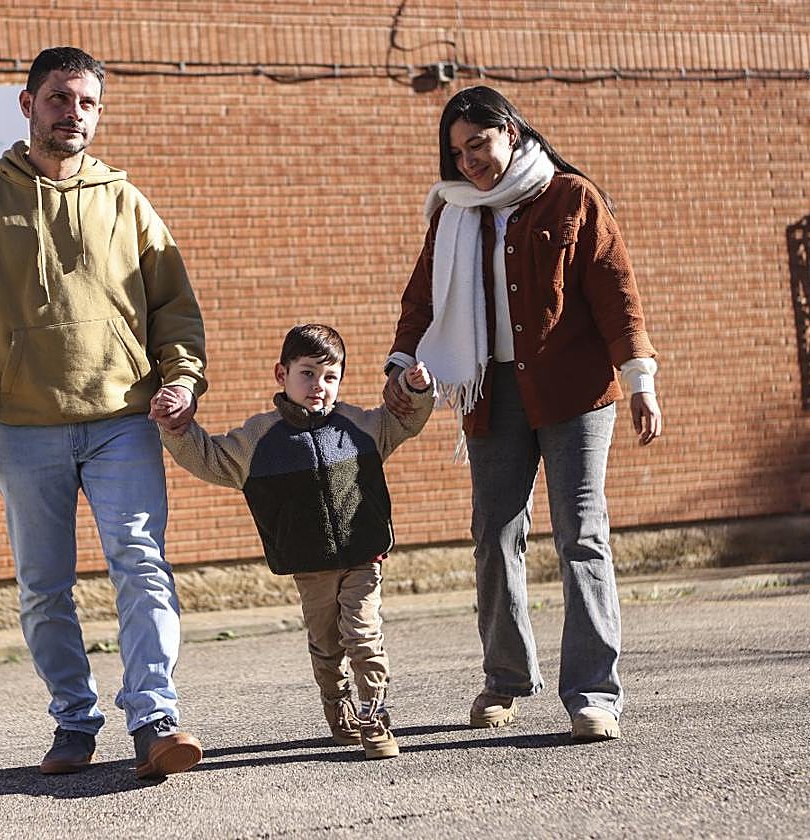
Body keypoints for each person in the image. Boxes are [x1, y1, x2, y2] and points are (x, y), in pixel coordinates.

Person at [0, 46, 207, 780]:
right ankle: (74, 720)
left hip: (122, 419)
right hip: (23, 427)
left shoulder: (126, 202)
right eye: (58, 98)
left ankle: (155, 718)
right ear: (28, 104)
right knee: (44, 587)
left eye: (86, 102)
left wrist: (182, 379)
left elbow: (174, 305)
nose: (73, 113)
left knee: (141, 565)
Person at [383, 86, 662, 742]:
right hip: (492, 395)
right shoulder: (455, 213)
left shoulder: (571, 198)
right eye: (458, 152)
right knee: (494, 535)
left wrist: (640, 380)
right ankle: (505, 678)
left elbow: (616, 293)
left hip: (575, 391)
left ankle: (593, 694)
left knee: (580, 535)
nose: (469, 161)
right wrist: (400, 363)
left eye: (478, 144)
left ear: (509, 131)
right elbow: (422, 299)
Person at [155, 324, 435, 759]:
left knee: (364, 636)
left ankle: (374, 717)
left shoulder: (360, 426)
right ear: (281, 374)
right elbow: (209, 458)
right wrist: (177, 429)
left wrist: (416, 391)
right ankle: (337, 703)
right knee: (327, 644)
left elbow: (404, 419)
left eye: (330, 376)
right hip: (309, 564)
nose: (319, 386)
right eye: (307, 374)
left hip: (364, 556)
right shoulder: (258, 439)